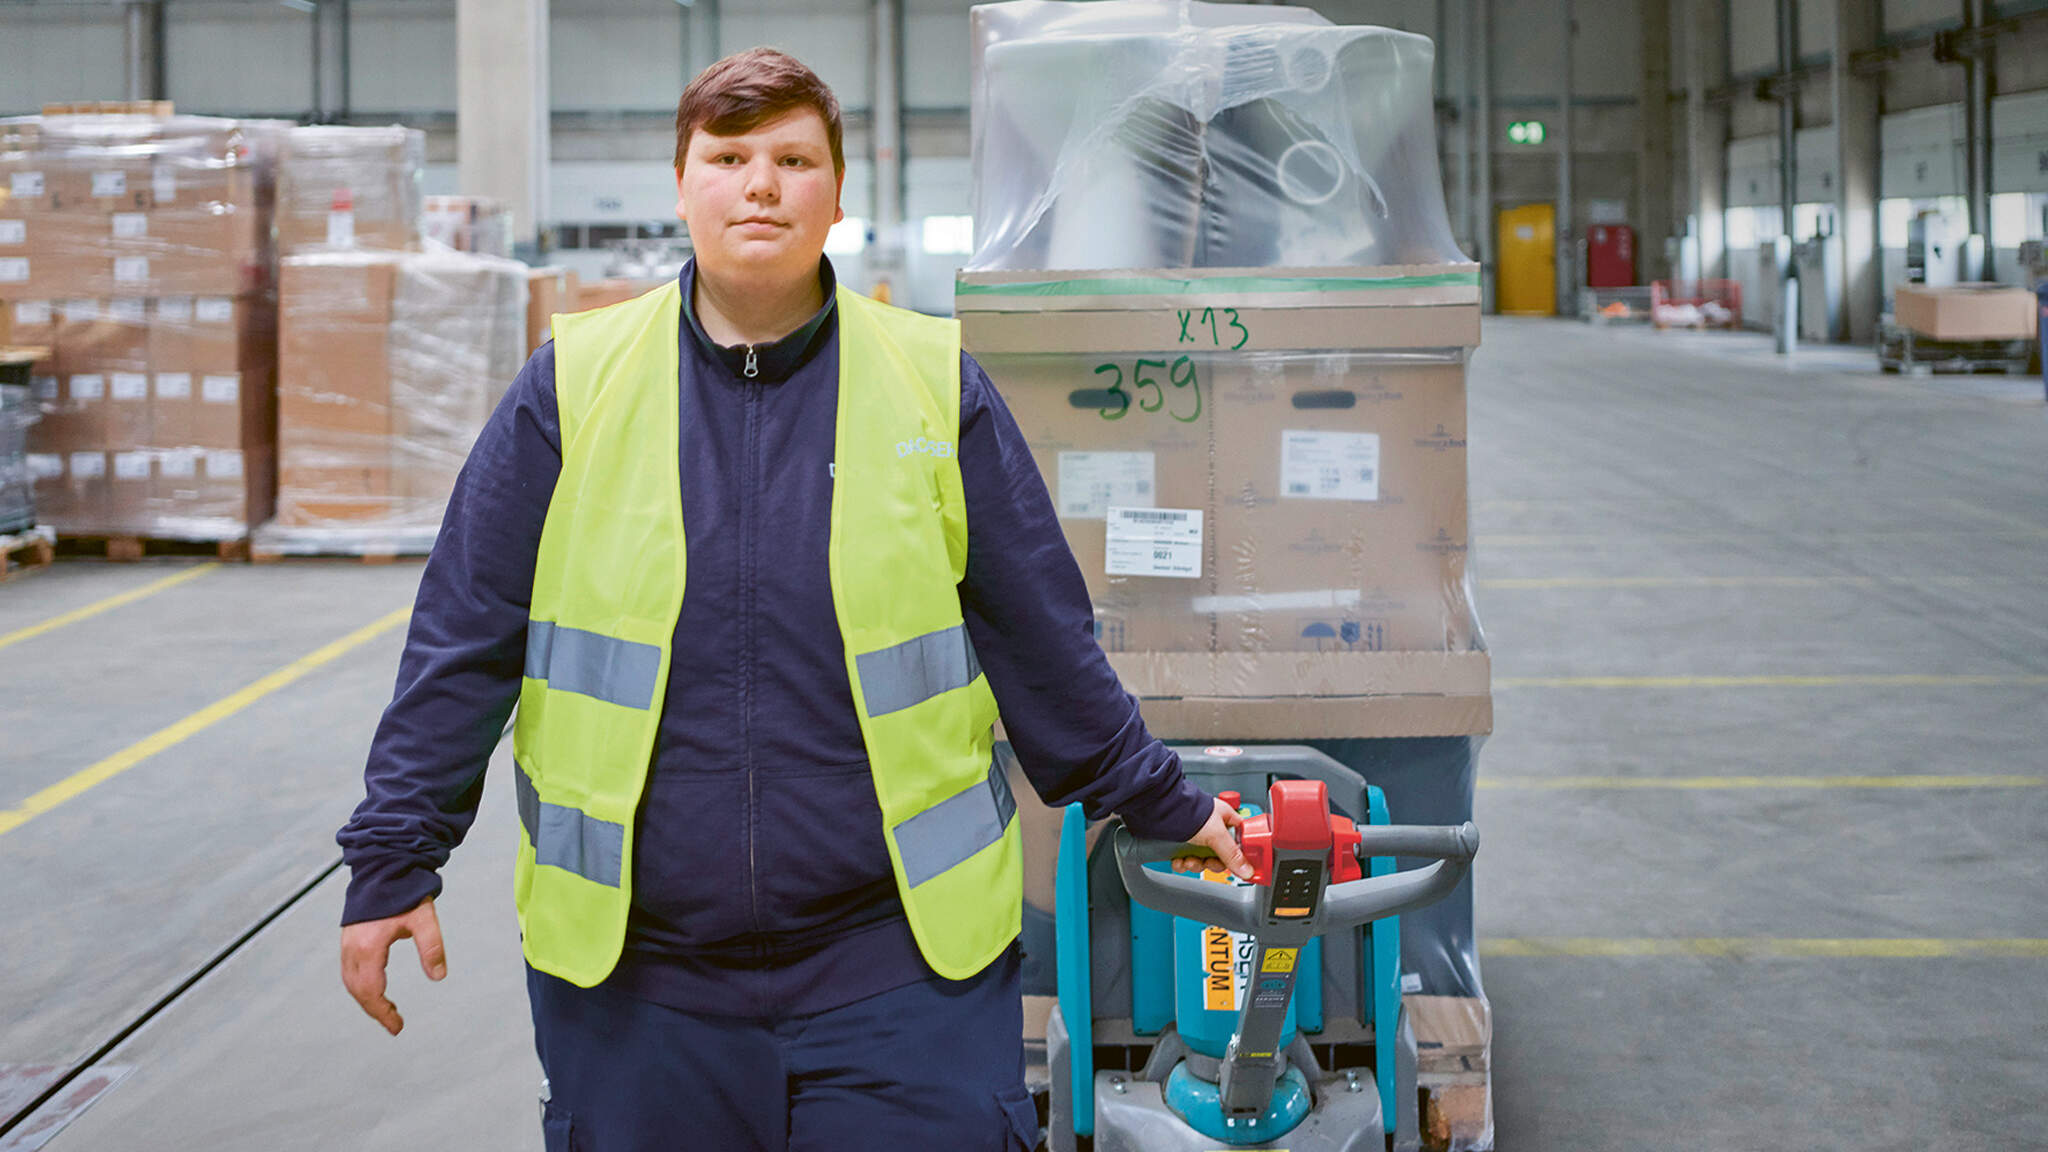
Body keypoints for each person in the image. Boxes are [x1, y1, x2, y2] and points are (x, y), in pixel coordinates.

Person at [336, 47, 1249, 1152]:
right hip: (637, 979)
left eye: (791, 157)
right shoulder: (570, 390)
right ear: (681, 187)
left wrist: (1165, 803)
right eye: (727, 157)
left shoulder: (930, 383)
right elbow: (463, 640)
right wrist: (395, 858)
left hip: (898, 973)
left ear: (837, 193)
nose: (759, 184)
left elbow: (1040, 636)